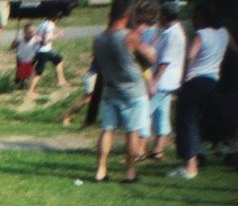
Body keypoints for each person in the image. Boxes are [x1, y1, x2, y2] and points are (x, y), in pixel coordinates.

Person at [92, 0, 158, 184]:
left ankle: (100, 170)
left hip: (110, 88)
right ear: (127, 16)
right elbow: (151, 59)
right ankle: (129, 172)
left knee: (107, 130)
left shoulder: (98, 39)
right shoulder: (130, 36)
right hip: (133, 91)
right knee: (132, 131)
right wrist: (150, 50)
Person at [169, 1, 235, 180]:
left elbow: (190, 57)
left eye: (195, 16)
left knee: (187, 121)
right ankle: (206, 151)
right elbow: (234, 49)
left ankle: (190, 166)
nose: (193, 19)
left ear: (203, 17)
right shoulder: (224, 33)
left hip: (196, 80)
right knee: (209, 119)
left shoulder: (201, 35)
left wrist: (184, 79)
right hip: (213, 81)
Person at [144, 2, 186, 160]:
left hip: (163, 80)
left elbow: (164, 62)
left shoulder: (172, 35)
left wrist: (154, 81)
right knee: (162, 113)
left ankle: (139, 150)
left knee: (145, 113)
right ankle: (158, 150)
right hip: (171, 81)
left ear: (164, 16)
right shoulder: (172, 31)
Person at [26, 8, 71, 98]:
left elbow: (38, 36)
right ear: (54, 18)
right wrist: (58, 34)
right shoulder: (50, 25)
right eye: (58, 18)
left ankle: (61, 80)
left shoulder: (42, 24)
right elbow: (46, 40)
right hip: (44, 51)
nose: (58, 20)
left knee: (58, 59)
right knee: (39, 72)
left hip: (39, 50)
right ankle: (30, 91)